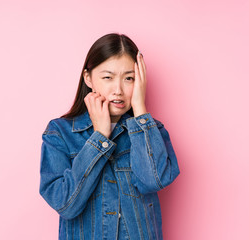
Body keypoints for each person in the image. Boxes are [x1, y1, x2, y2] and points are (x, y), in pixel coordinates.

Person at [39, 33, 180, 240]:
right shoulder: (60, 133)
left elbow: (154, 181)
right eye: (108, 77)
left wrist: (140, 108)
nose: (118, 90)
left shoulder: (151, 132)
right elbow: (66, 204)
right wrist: (99, 137)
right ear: (88, 78)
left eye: (129, 78)